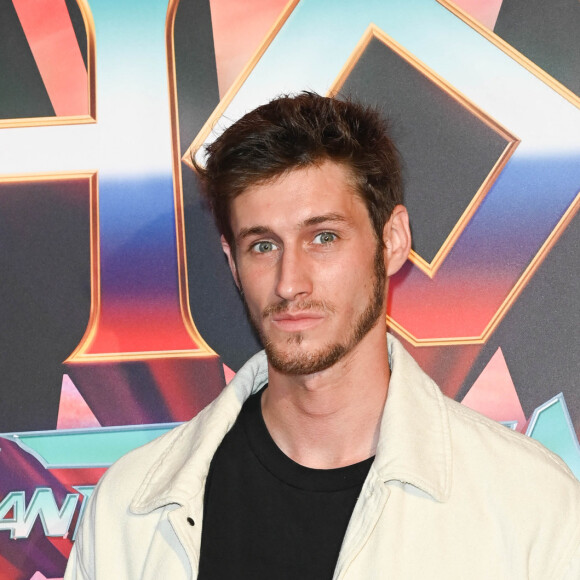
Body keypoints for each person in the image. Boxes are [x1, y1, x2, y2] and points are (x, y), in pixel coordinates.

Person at [65, 92, 580, 579]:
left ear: (392, 241)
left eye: (323, 237)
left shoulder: (528, 503)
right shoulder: (129, 510)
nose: (290, 283)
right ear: (232, 262)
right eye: (263, 245)